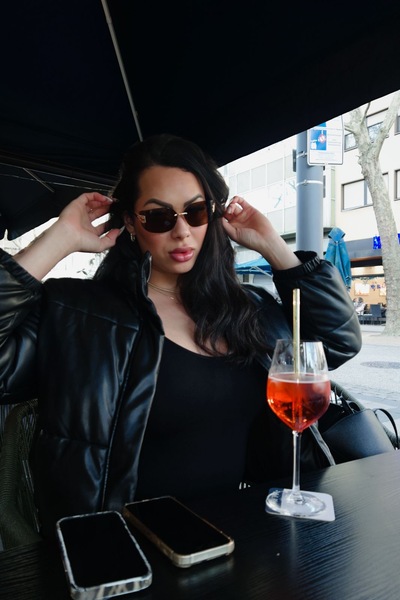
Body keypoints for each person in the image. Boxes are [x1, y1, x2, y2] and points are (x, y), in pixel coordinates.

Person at [0, 134, 362, 538]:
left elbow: (337, 342)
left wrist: (275, 248)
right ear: (131, 223)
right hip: (122, 546)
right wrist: (58, 239)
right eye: (159, 217)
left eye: (196, 212)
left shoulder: (248, 308)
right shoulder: (79, 312)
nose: (182, 231)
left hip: (243, 536)